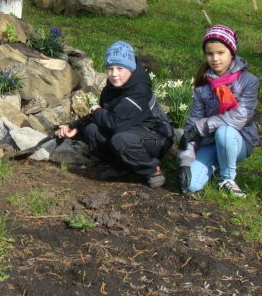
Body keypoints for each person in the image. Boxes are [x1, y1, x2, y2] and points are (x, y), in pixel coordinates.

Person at [55, 41, 174, 188]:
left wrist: (97, 111)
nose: (114, 74)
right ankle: (122, 166)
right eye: (110, 68)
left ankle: (152, 170)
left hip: (156, 136)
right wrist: (76, 129)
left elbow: (115, 124)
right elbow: (103, 119)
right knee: (91, 130)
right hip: (129, 131)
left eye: (120, 68)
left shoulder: (140, 89)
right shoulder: (111, 88)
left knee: (121, 139)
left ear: (130, 68)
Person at [177, 25, 259, 198]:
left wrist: (202, 126)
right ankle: (217, 164)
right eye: (210, 54)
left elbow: (240, 117)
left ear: (232, 53)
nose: (215, 59)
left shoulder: (248, 81)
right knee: (190, 185)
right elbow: (192, 125)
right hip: (210, 142)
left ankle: (228, 179)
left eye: (221, 53)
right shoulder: (203, 85)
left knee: (225, 132)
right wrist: (185, 162)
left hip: (238, 140)